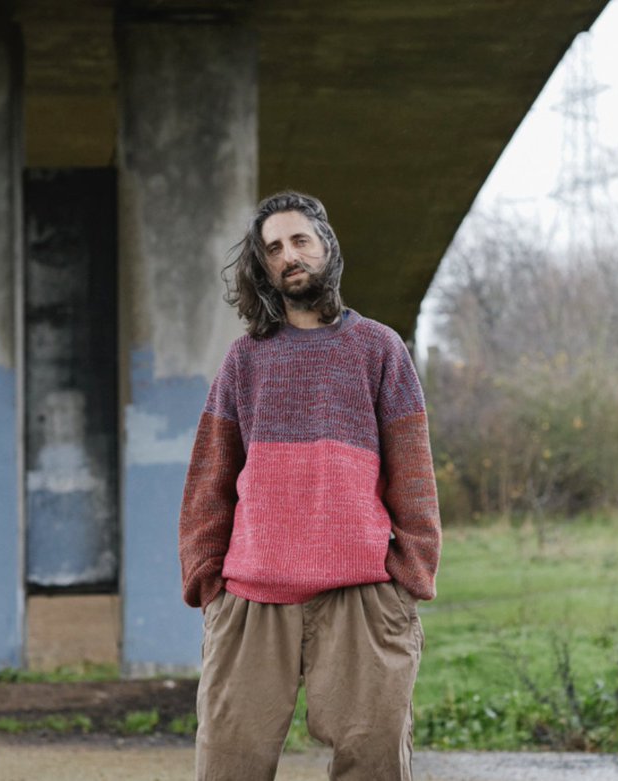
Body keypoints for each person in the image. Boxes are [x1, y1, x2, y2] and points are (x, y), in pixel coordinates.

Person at [178, 190, 441, 780]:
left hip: (362, 595)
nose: (289, 255)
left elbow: (413, 476)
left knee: (373, 765)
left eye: (300, 240)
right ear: (264, 267)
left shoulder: (378, 348)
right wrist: (208, 580)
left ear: (326, 247)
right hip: (250, 597)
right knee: (228, 766)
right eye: (273, 248)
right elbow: (209, 481)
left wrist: (409, 578)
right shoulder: (245, 360)